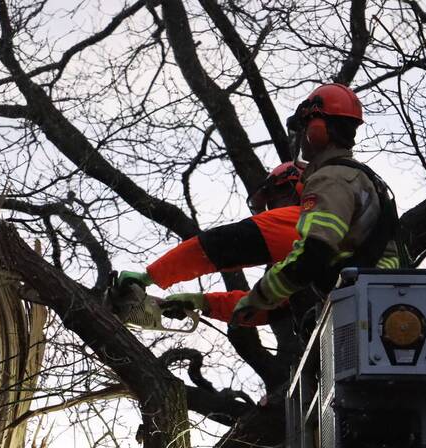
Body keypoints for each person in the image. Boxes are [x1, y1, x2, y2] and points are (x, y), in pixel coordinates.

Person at [230, 83, 407, 327]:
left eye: (304, 130)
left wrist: (258, 297)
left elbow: (313, 253)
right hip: (379, 300)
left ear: (316, 130)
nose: (301, 140)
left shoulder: (329, 179)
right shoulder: (362, 178)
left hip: (366, 304)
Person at [114, 161, 305, 327]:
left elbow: (218, 246)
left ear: (296, 188)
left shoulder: (297, 219)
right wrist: (203, 302)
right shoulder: (304, 255)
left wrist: (150, 276)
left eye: (276, 200)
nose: (272, 211)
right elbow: (265, 307)